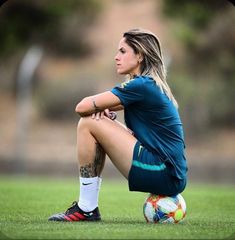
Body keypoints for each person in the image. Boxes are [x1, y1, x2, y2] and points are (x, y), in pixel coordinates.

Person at [48, 28, 187, 222]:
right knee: (96, 120)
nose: (116, 57)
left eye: (122, 51)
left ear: (139, 55)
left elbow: (81, 107)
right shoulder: (149, 85)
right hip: (172, 175)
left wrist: (96, 111)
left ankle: (86, 208)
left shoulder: (141, 85)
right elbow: (99, 106)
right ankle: (87, 209)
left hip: (162, 171)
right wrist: (101, 111)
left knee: (88, 123)